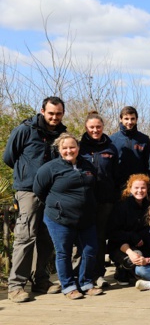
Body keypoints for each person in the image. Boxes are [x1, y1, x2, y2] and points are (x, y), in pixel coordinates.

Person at [3, 96, 66, 303]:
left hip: (52, 192)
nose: (54, 117)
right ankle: (16, 286)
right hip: (28, 191)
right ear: (42, 111)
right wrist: (27, 175)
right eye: (50, 113)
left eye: (58, 114)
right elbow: (9, 157)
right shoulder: (25, 130)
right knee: (25, 236)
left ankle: (41, 280)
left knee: (47, 237)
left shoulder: (62, 134)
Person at [33, 132, 102, 299]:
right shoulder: (49, 168)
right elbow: (39, 190)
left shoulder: (87, 165)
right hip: (59, 219)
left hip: (86, 218)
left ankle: (85, 282)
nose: (69, 150)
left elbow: (93, 186)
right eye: (65, 148)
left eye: (72, 147)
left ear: (78, 148)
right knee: (63, 252)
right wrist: (59, 205)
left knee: (90, 250)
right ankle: (69, 286)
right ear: (59, 149)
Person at [79, 111, 119, 288]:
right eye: (91, 127)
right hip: (85, 200)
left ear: (103, 127)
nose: (95, 130)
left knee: (100, 237)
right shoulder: (79, 147)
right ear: (86, 128)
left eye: (98, 127)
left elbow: (116, 174)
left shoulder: (111, 147)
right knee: (82, 237)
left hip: (105, 199)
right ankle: (81, 274)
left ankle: (98, 274)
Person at [107, 174, 150, 285]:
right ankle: (122, 269)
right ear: (130, 189)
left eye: (143, 188)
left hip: (142, 243)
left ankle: (132, 271)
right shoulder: (121, 206)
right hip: (120, 246)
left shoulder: (149, 205)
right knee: (135, 256)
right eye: (136, 188)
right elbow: (112, 233)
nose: (140, 191)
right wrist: (132, 236)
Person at [110, 106, 150, 190]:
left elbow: (149, 163)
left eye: (132, 119)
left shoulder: (144, 139)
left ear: (136, 119)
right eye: (126, 119)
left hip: (139, 185)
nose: (129, 122)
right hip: (119, 185)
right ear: (120, 119)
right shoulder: (112, 139)